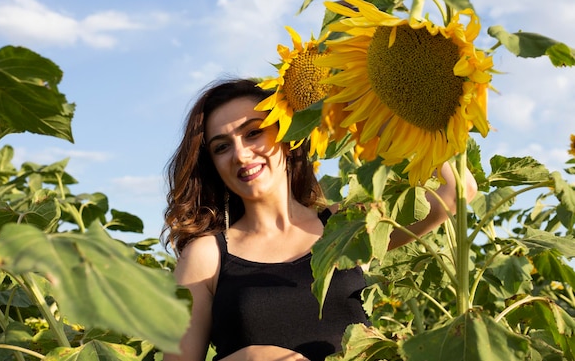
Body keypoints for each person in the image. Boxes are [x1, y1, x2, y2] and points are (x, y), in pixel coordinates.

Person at [161, 78, 477, 361]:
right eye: (222, 147)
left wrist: (371, 104)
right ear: (212, 164)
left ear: (287, 135)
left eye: (254, 132)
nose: (241, 154)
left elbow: (454, 192)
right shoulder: (207, 256)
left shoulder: (345, 225)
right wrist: (249, 358)